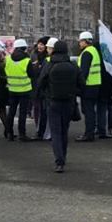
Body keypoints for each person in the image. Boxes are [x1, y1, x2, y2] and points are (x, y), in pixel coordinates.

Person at [37, 40, 81, 173]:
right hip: (69, 102)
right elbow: (82, 84)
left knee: (55, 132)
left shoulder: (49, 65)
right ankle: (64, 156)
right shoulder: (72, 65)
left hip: (53, 102)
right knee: (64, 130)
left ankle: (59, 161)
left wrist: (46, 94)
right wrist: (73, 92)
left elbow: (41, 82)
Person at [5, 38, 33, 142]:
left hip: (12, 90)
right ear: (24, 48)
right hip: (25, 90)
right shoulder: (27, 61)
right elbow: (31, 75)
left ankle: (9, 133)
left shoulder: (8, 59)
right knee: (22, 113)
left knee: (11, 112)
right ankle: (22, 134)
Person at [75, 30, 102, 142]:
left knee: (88, 111)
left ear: (86, 41)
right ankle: (90, 132)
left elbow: (83, 72)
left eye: (81, 41)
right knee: (91, 110)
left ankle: (88, 134)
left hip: (88, 86)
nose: (79, 43)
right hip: (95, 85)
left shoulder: (86, 53)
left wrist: (78, 86)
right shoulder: (94, 51)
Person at [33, 37, 57, 140]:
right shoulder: (66, 60)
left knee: (45, 113)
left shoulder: (48, 60)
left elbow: (42, 78)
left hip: (46, 92)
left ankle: (43, 133)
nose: (41, 47)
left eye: (45, 46)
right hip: (55, 92)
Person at [30, 36, 49, 134]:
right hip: (35, 86)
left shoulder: (48, 57)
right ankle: (38, 128)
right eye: (39, 44)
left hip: (45, 87)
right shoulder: (33, 55)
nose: (40, 46)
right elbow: (31, 70)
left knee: (44, 109)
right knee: (36, 108)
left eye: (42, 44)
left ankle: (44, 129)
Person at [98, 57, 112, 138]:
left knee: (102, 110)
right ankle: (109, 129)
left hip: (102, 89)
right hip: (111, 90)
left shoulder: (101, 62)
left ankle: (101, 128)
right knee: (110, 109)